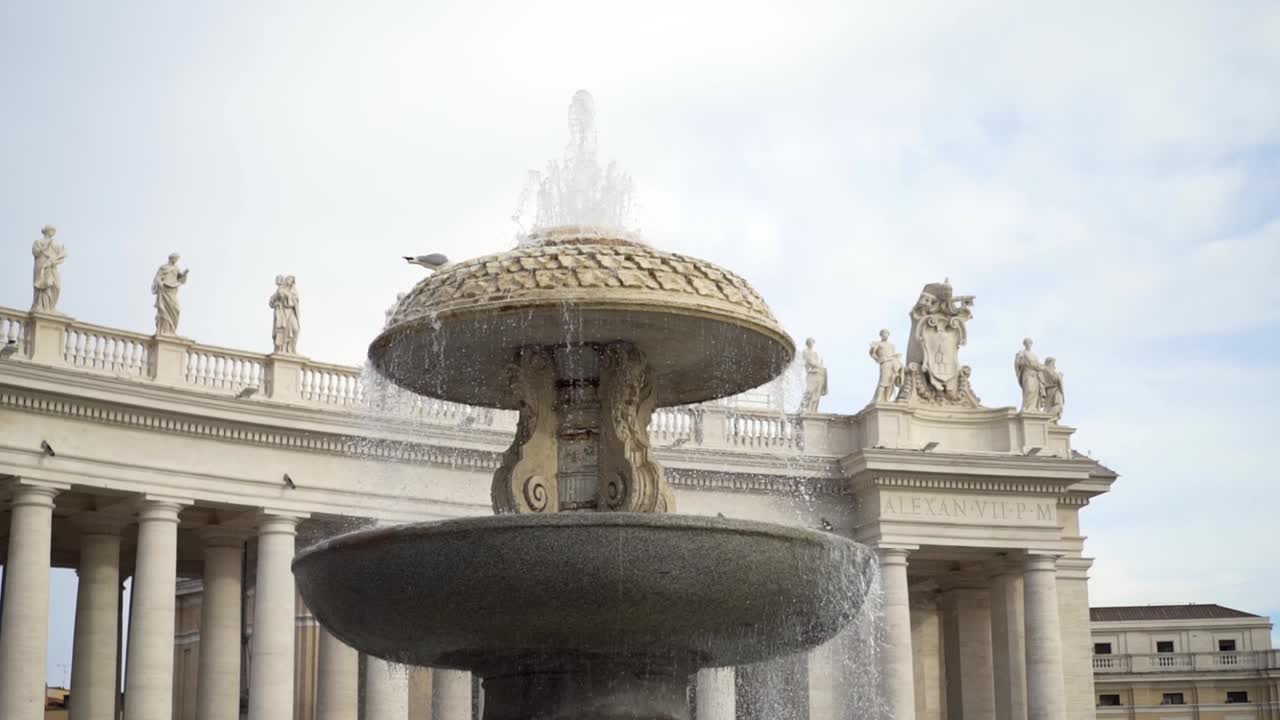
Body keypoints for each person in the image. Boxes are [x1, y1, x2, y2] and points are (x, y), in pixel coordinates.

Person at [31, 225, 67, 312]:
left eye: (54, 231)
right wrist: (45, 248)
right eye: (52, 230)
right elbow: (35, 252)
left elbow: (63, 252)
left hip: (52, 265)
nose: (53, 232)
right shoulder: (38, 242)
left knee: (56, 286)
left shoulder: (55, 244)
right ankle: (42, 306)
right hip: (41, 264)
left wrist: (58, 257)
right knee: (43, 285)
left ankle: (51, 307)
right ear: (47, 231)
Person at [152, 254, 189, 335]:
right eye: (175, 259)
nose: (176, 261)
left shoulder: (176, 268)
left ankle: (171, 330)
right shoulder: (163, 267)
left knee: (176, 309)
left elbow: (181, 279)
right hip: (165, 290)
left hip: (173, 290)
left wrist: (184, 274)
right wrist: (160, 282)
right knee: (164, 309)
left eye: (177, 259)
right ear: (171, 258)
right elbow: (157, 278)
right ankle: (165, 330)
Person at [868, 329, 902, 404]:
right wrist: (878, 359)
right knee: (883, 381)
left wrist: (896, 356)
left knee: (891, 380)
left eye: (886, 333)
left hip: (892, 363)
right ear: (881, 335)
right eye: (884, 333)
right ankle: (878, 399)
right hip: (885, 363)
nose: (885, 335)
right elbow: (872, 354)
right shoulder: (878, 343)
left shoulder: (891, 345)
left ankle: (886, 399)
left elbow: (893, 354)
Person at [269, 275, 301, 354]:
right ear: (286, 280)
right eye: (290, 279)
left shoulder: (294, 291)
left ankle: (292, 349)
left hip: (291, 312)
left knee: (295, 330)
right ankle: (282, 349)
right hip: (283, 313)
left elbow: (296, 301)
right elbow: (271, 301)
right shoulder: (280, 289)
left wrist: (290, 297)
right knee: (282, 331)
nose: (290, 282)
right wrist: (276, 304)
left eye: (292, 281)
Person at [799, 337, 828, 413]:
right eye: (811, 342)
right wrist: (819, 366)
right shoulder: (805, 351)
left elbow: (816, 362)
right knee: (809, 391)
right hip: (812, 373)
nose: (812, 343)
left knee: (817, 392)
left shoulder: (815, 353)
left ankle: (813, 410)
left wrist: (820, 366)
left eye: (813, 342)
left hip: (818, 373)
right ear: (807, 343)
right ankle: (803, 408)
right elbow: (810, 361)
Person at [1014, 337, 1043, 412]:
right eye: (1027, 343)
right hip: (1027, 373)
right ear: (1024, 344)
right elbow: (1017, 363)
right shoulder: (1022, 353)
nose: (1029, 344)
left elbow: (1038, 365)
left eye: (1030, 343)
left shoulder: (1034, 355)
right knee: (1029, 390)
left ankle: (1033, 408)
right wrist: (1024, 363)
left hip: (1035, 375)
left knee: (1035, 391)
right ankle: (1026, 407)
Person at [1041, 357, 1065, 422]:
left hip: (1054, 390)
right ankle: (1047, 419)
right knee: (1058, 405)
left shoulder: (1048, 370)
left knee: (1055, 406)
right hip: (1052, 390)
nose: (1054, 365)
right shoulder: (1046, 370)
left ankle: (1050, 419)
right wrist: (1059, 376)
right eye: (1053, 363)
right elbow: (1054, 379)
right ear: (1050, 363)